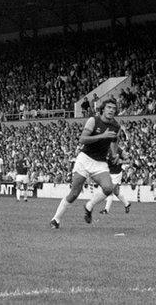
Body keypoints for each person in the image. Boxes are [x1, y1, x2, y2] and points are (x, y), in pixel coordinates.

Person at [50, 98, 122, 229]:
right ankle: (56, 219)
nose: (111, 110)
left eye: (114, 108)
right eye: (109, 107)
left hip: (100, 162)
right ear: (103, 109)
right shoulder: (93, 120)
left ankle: (89, 206)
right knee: (74, 193)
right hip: (85, 159)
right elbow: (82, 139)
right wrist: (102, 136)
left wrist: (114, 154)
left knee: (108, 188)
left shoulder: (116, 126)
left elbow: (114, 141)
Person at [91, 149, 131, 215]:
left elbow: (128, 160)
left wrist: (122, 162)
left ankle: (106, 210)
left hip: (117, 174)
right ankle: (127, 204)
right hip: (109, 173)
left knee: (109, 191)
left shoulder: (119, 150)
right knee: (116, 192)